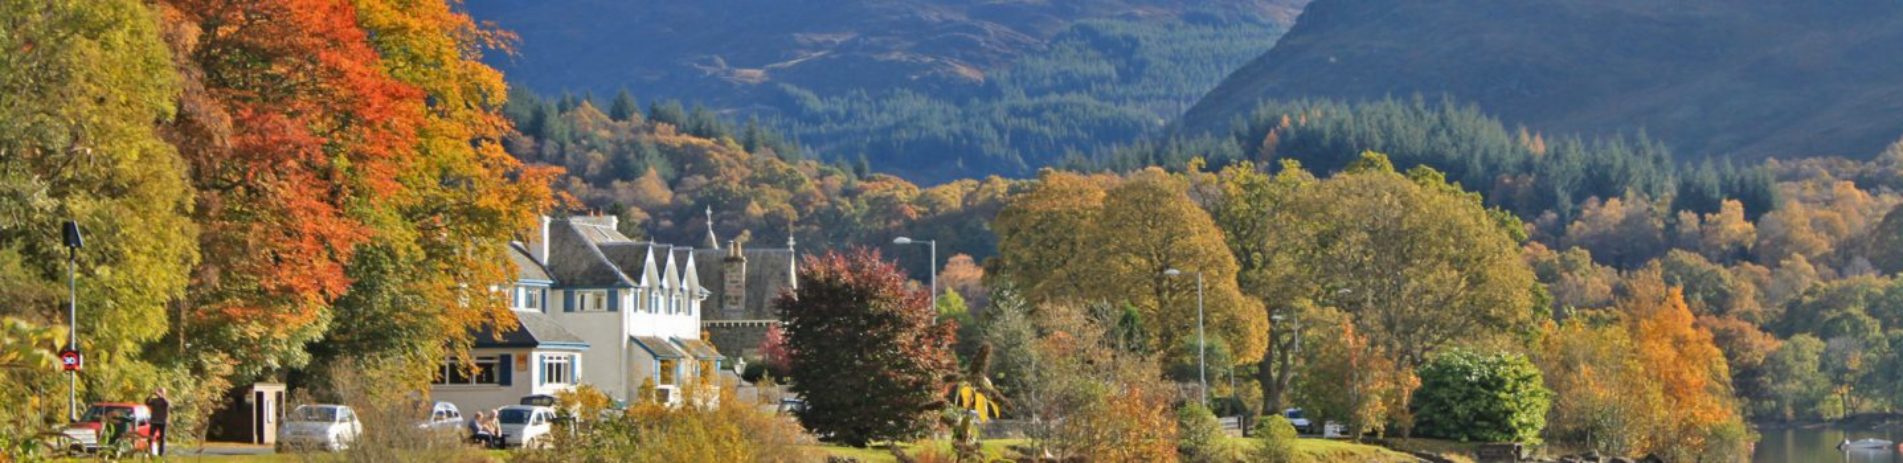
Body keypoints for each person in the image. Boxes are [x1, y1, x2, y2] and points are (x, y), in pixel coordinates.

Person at [145, 387, 170, 456]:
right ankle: (149, 452)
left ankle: (161, 453)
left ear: (164, 393)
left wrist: (160, 395)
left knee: (162, 439)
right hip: (154, 421)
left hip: (162, 422)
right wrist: (150, 394)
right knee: (150, 437)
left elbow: (166, 404)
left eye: (161, 392)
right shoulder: (154, 400)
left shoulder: (165, 400)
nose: (159, 392)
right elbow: (147, 402)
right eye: (159, 391)